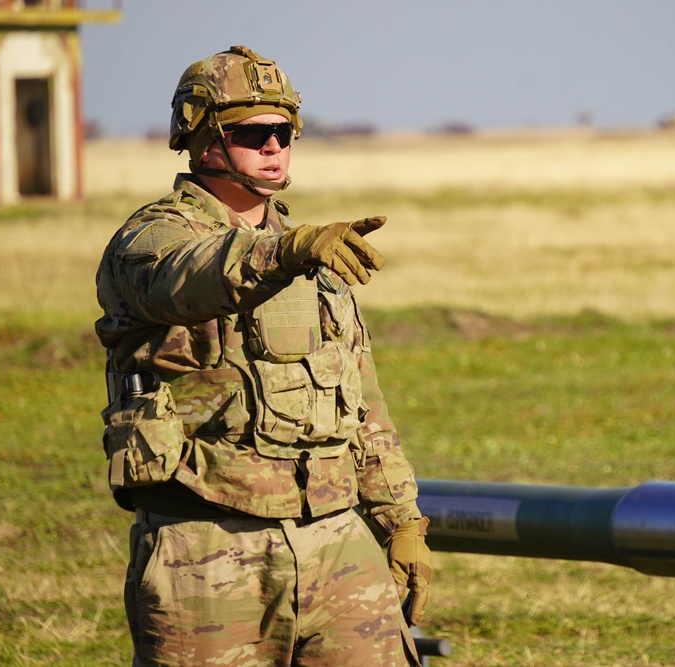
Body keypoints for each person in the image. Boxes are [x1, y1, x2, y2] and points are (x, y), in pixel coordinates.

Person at [94, 45, 430, 667]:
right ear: (200, 139)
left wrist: (400, 518)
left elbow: (362, 404)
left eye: (284, 130)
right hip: (207, 548)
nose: (274, 146)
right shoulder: (151, 241)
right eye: (253, 132)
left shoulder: (312, 253)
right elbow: (186, 277)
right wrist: (286, 253)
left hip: (335, 541)